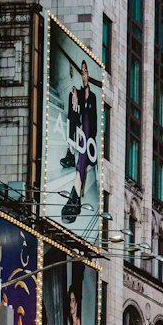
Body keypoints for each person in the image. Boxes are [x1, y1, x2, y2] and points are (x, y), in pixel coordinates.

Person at [61, 60, 97, 224]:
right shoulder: (79, 93)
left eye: (85, 71)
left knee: (87, 123)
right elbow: (75, 109)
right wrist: (74, 91)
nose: (83, 74)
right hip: (80, 135)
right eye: (82, 71)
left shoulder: (93, 96)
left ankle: (75, 192)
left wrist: (84, 126)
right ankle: (70, 151)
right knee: (73, 101)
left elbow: (92, 123)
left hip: (89, 144)